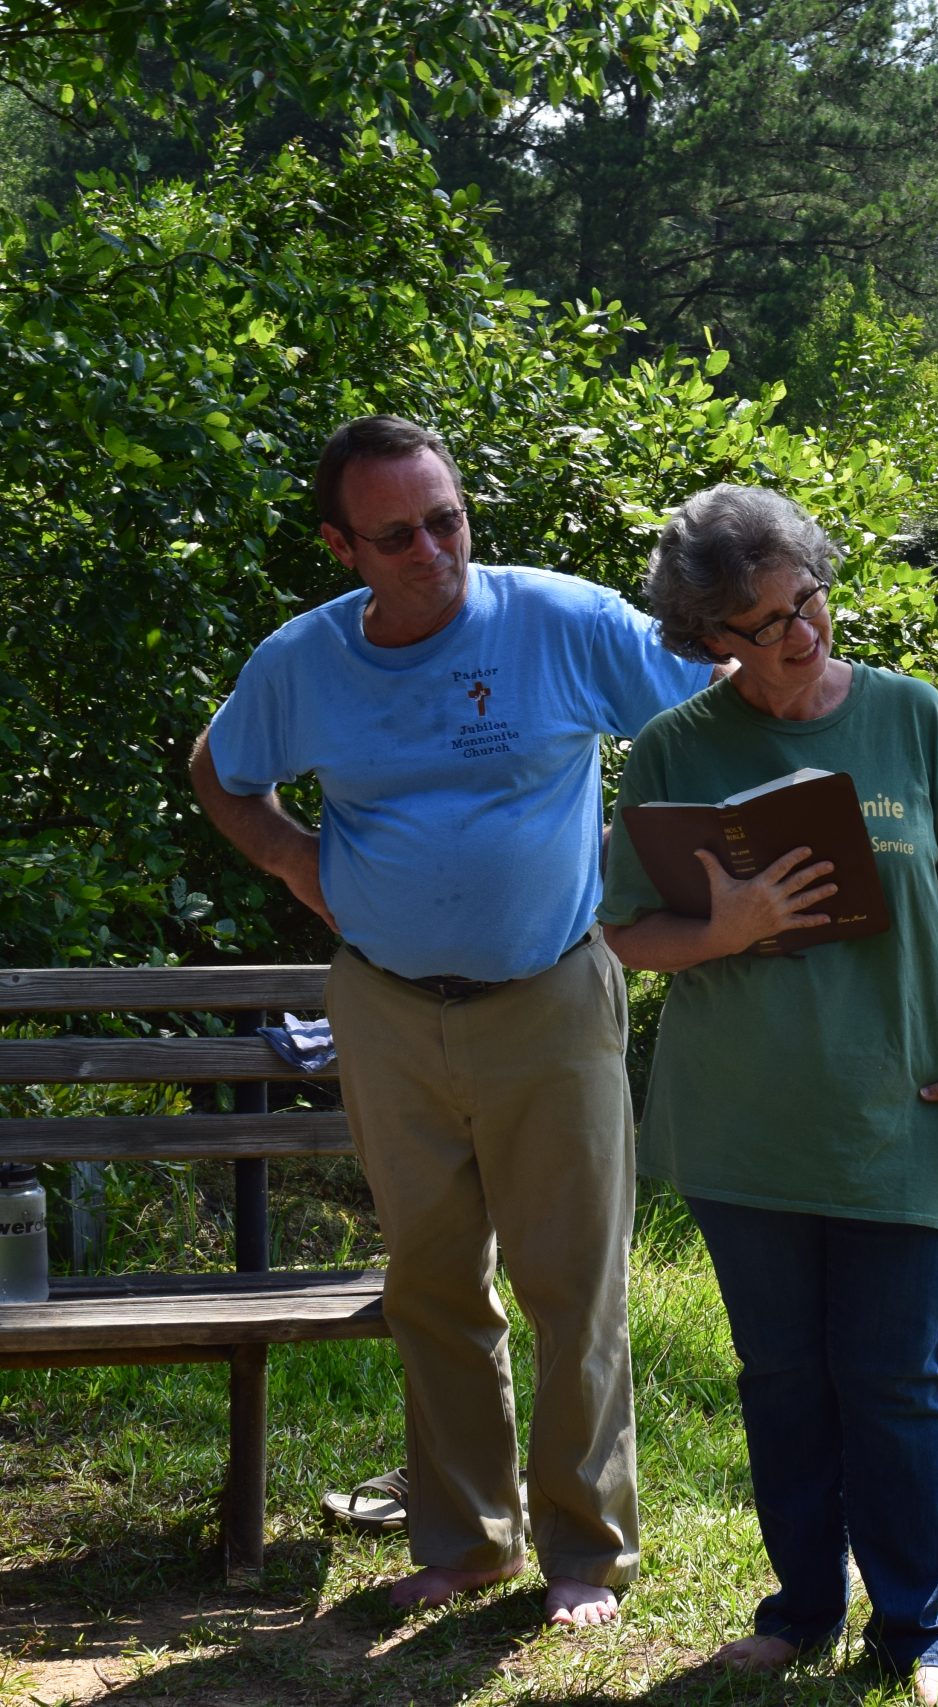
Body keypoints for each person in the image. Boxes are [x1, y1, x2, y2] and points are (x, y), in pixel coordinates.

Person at [190, 415, 712, 1625]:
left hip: (550, 998)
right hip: (383, 1008)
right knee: (431, 1281)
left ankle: (585, 1554)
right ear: (342, 547)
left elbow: (717, 704)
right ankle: (469, 1541)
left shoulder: (560, 622)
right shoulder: (304, 661)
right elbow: (223, 767)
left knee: (573, 1283)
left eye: (447, 519)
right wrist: (290, 859)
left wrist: (692, 878)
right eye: (397, 534)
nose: (432, 549)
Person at [598, 485, 938, 1703]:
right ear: (710, 641)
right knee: (782, 1380)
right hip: (744, 1123)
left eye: (811, 601)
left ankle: (917, 1634)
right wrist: (725, 926)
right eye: (767, 623)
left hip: (902, 1111)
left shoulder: (910, 717)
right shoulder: (677, 749)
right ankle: (799, 1610)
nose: (805, 635)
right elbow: (623, 936)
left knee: (894, 1383)